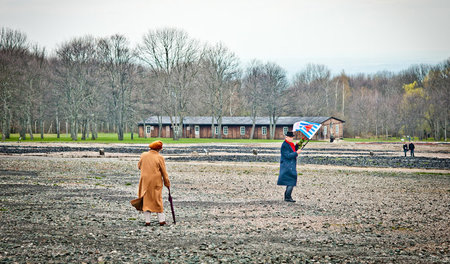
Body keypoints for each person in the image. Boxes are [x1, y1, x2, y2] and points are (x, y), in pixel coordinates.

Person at [138, 140, 171, 226]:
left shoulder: (143, 155)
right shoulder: (160, 157)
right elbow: (164, 172)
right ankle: (162, 221)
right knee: (157, 200)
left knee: (146, 200)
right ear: (159, 149)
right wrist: (167, 183)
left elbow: (139, 166)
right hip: (156, 181)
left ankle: (147, 221)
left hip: (144, 181)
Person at [277, 131, 302, 202]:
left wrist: (297, 146)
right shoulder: (284, 145)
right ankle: (287, 197)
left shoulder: (290, 144)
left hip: (290, 165)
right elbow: (288, 155)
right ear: (286, 137)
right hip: (287, 165)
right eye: (290, 137)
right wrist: (297, 152)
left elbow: (292, 151)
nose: (291, 139)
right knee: (291, 180)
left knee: (291, 181)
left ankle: (287, 196)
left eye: (292, 137)